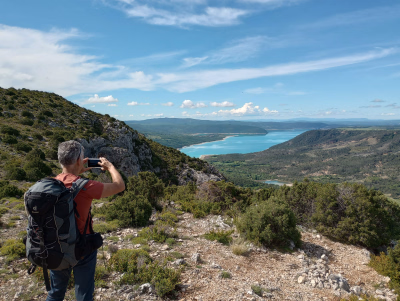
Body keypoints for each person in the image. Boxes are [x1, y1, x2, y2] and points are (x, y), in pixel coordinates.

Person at [46, 140, 125, 301]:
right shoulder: (85, 186)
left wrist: (77, 170)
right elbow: (119, 185)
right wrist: (110, 167)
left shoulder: (50, 184)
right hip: (81, 250)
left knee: (55, 294)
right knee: (83, 295)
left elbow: (68, 182)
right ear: (77, 161)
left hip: (55, 247)